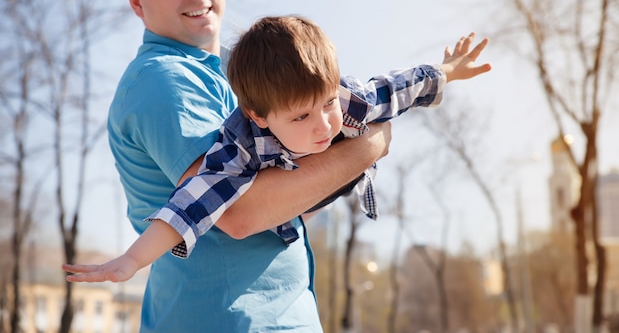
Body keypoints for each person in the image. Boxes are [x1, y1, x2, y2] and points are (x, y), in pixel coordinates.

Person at [62, 0, 392, 332]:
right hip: (225, 319)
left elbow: (291, 192)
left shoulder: (236, 74)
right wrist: (371, 144)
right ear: (136, 2)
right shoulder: (164, 79)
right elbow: (238, 212)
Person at [64, 15, 490, 285]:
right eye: (301, 118)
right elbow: (191, 203)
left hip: (329, 177)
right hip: (280, 190)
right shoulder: (240, 146)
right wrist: (132, 260)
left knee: (367, 109)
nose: (324, 125)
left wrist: (449, 71)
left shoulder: (347, 101)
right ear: (259, 115)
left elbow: (400, 86)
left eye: (326, 104)